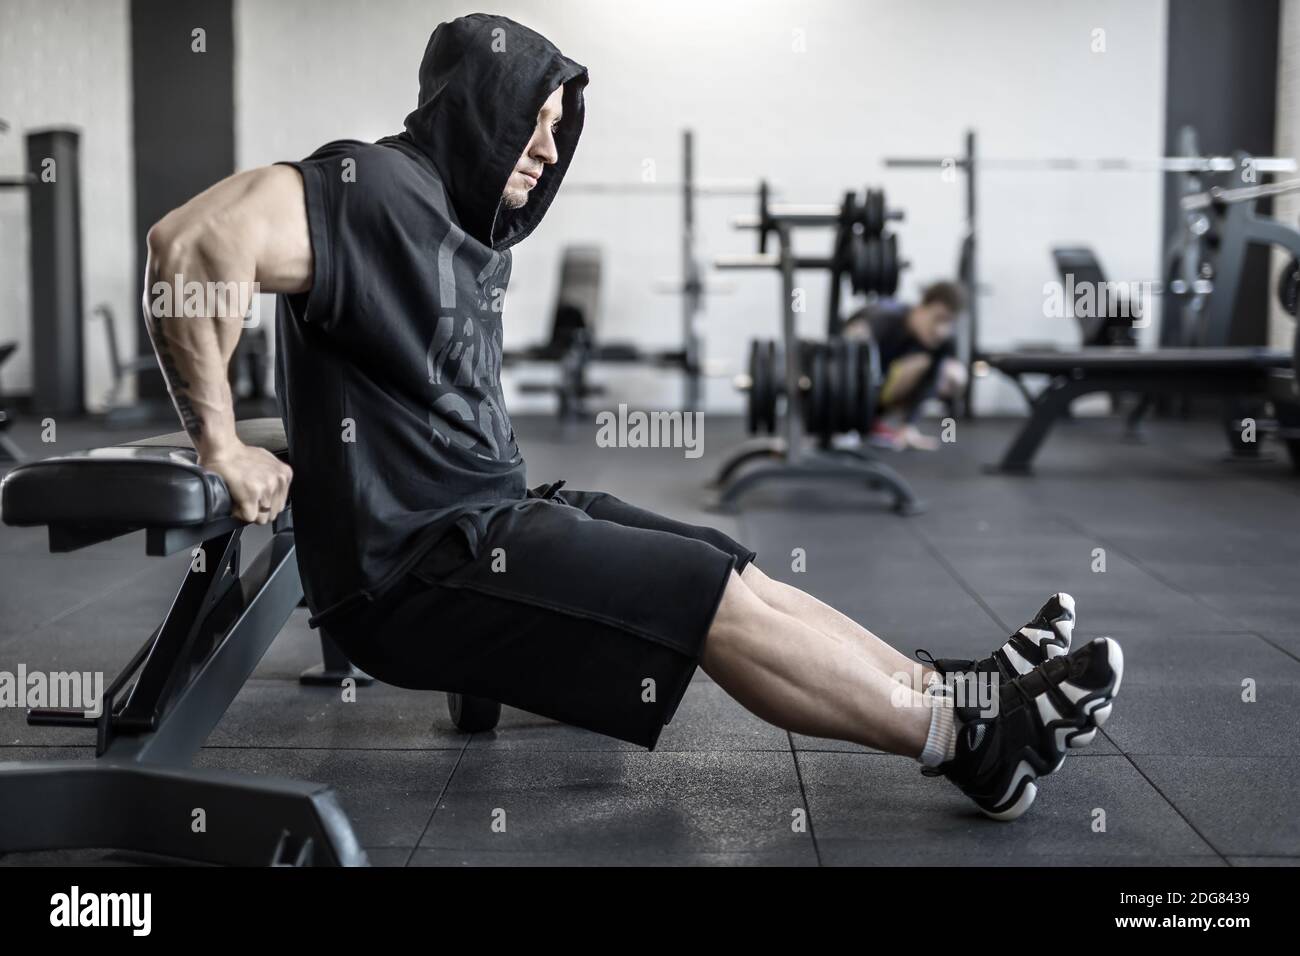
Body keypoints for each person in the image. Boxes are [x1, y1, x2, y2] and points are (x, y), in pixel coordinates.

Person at [141, 13, 1121, 821]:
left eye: (560, 123)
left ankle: (965, 688)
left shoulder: (465, 227)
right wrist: (217, 440)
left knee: (732, 567)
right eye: (531, 116)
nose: (547, 144)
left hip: (487, 519)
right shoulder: (368, 185)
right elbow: (187, 246)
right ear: (477, 109)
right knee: (707, 599)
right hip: (417, 571)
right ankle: (978, 746)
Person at [842, 282, 969, 450]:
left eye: (948, 322)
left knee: (954, 374)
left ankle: (877, 424)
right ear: (921, 308)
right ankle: (847, 424)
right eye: (938, 318)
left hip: (879, 394)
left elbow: (931, 380)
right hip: (847, 394)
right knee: (856, 345)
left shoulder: (943, 342)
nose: (941, 330)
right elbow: (843, 356)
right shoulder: (883, 318)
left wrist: (908, 426)